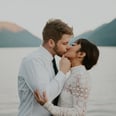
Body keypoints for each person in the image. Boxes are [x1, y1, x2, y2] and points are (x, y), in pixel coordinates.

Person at [18, 19, 73, 116]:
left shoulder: (52, 61)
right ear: (51, 43)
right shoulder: (33, 61)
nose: (68, 47)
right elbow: (45, 96)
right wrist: (63, 72)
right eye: (64, 43)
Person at [34, 38, 100, 116]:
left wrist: (48, 106)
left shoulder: (81, 77)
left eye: (73, 45)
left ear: (81, 54)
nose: (68, 47)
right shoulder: (74, 74)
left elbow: (79, 112)